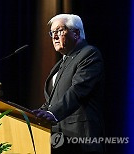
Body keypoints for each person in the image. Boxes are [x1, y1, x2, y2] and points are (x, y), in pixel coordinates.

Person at [33, 14, 105, 154]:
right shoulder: (61, 64)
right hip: (59, 141)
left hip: (81, 139)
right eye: (52, 33)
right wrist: (31, 116)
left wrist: (51, 114)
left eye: (59, 31)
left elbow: (78, 90)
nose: (54, 37)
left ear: (76, 33)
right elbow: (51, 102)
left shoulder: (89, 54)